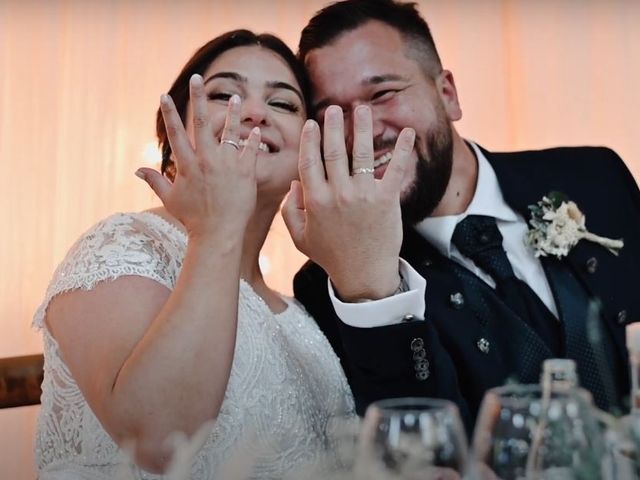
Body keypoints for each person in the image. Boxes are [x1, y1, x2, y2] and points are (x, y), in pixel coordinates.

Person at [283, 0, 640, 431]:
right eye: (332, 115)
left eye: (382, 94)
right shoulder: (333, 287)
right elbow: (418, 450)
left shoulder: (595, 177)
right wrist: (371, 291)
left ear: (447, 94)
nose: (366, 130)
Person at [32, 30, 354, 479]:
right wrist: (219, 224)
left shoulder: (301, 310)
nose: (256, 113)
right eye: (224, 94)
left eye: (283, 104)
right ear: (176, 130)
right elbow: (160, 443)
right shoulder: (124, 245)